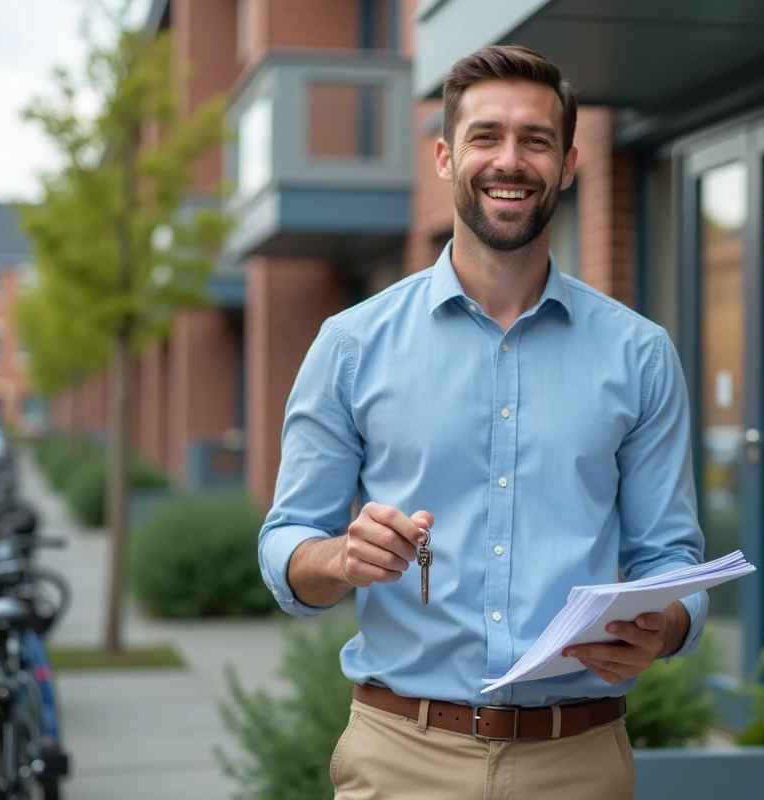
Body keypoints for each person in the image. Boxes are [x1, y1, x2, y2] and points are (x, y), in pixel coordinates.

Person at [257, 44, 709, 799]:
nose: (511, 160)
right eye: (485, 136)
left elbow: (672, 558)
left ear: (567, 164)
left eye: (536, 140)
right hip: (401, 755)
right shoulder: (350, 345)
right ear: (444, 157)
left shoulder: (640, 354)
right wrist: (340, 559)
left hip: (580, 759)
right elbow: (285, 544)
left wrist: (665, 626)